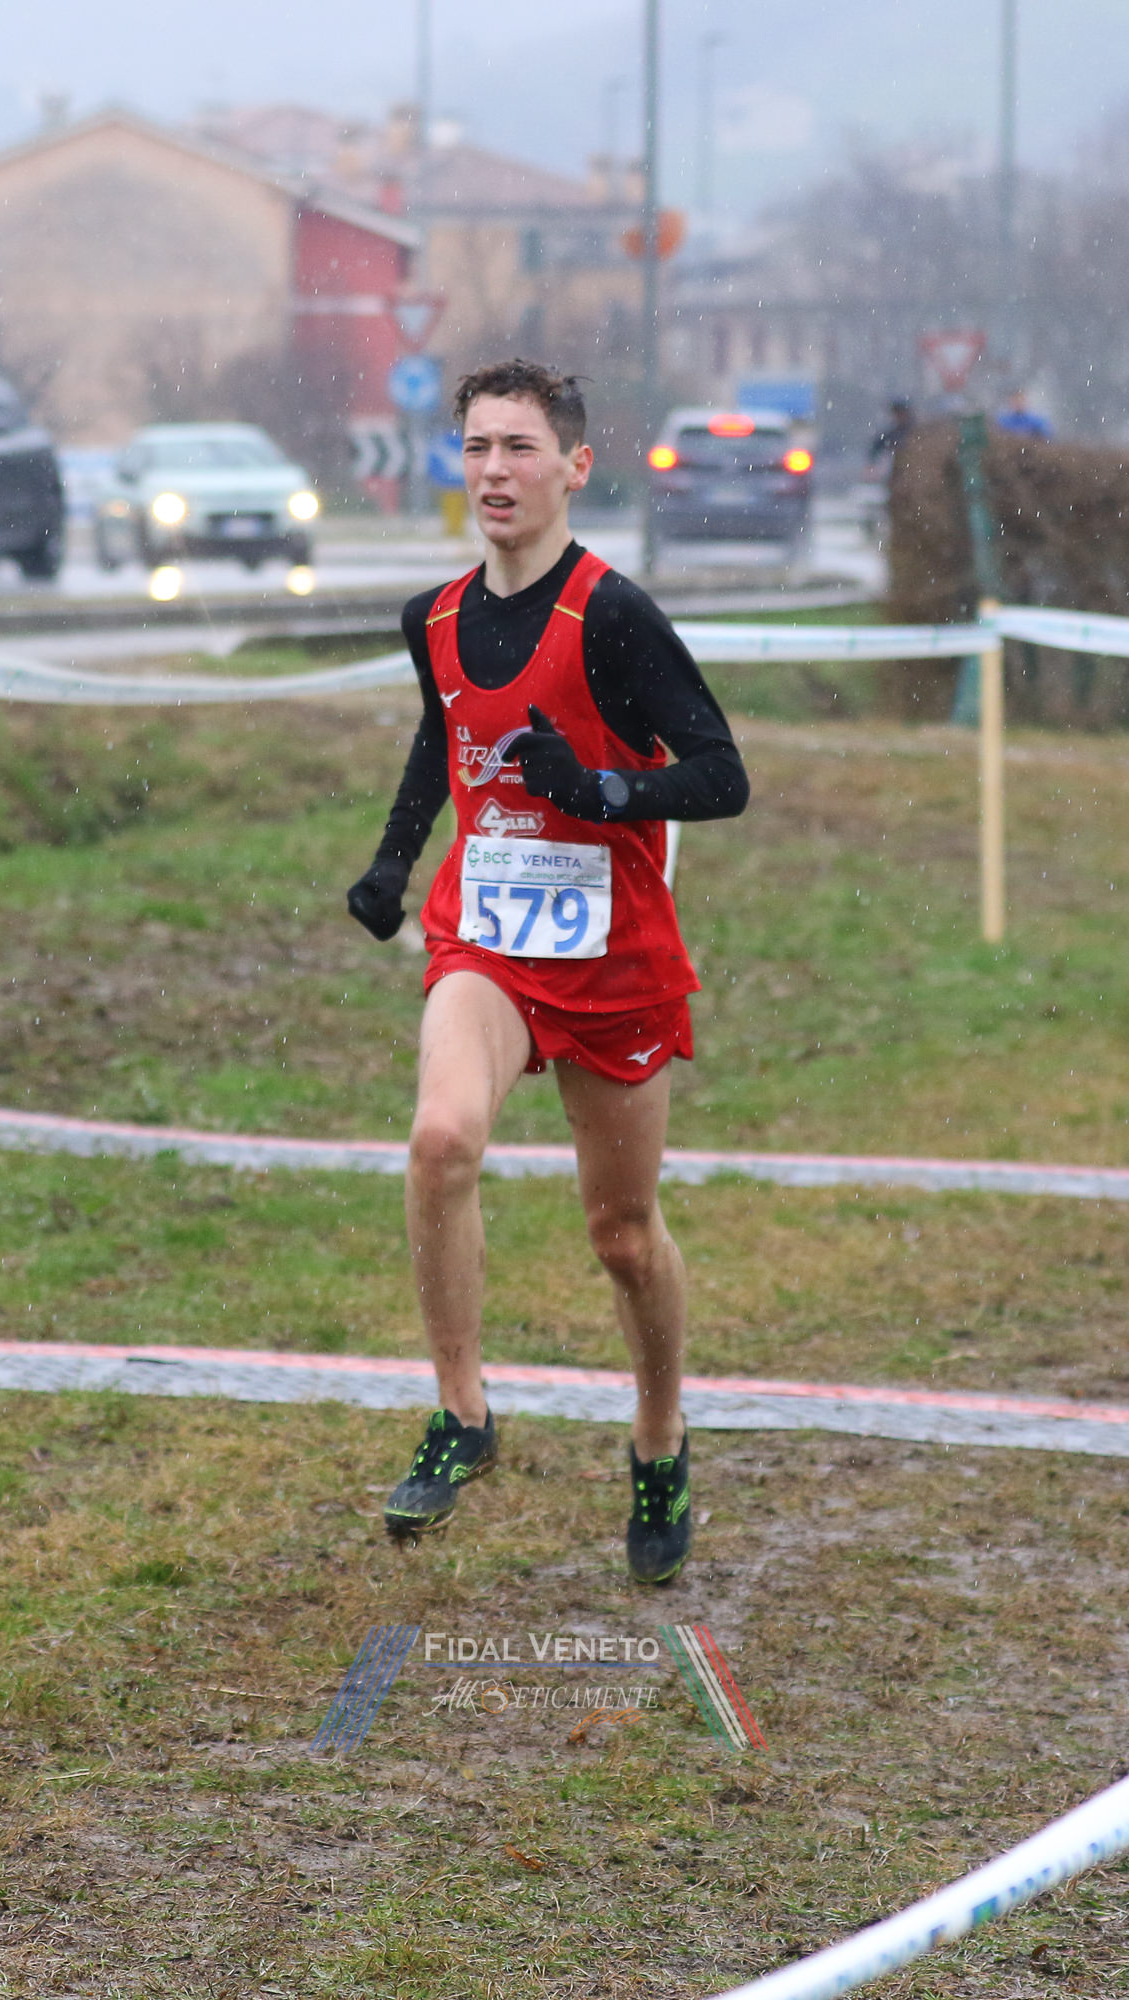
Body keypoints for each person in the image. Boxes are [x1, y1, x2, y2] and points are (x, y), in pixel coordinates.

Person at [343, 358, 750, 1585]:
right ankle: (463, 1414)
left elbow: (721, 773)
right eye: (476, 446)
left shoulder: (611, 614)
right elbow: (444, 732)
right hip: (485, 938)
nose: (494, 471)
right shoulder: (433, 617)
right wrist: (394, 860)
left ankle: (660, 1439)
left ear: (575, 467)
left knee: (620, 1234)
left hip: (612, 954)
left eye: (519, 447)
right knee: (440, 1141)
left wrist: (603, 787)